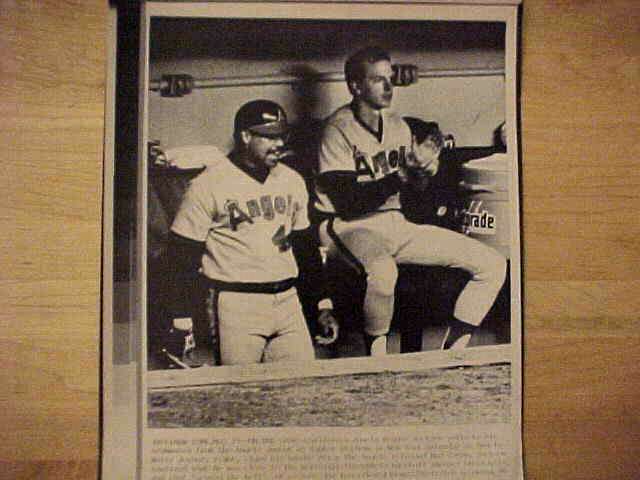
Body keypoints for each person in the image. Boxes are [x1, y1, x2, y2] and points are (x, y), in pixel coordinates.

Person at [313, 46, 506, 355]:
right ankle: (377, 357)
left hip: (394, 221)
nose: (388, 87)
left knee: (492, 264)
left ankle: (454, 350)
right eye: (378, 80)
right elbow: (348, 202)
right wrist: (404, 172)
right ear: (355, 86)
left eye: (390, 79)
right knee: (383, 272)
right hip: (346, 228)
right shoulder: (336, 129)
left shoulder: (398, 125)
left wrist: (426, 169)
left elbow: (414, 194)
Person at [167, 99, 338, 366]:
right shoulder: (208, 184)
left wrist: (321, 304)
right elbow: (181, 256)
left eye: (282, 135)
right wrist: (181, 319)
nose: (279, 143)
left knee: (303, 389)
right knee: (238, 392)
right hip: (237, 303)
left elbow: (305, 247)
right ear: (245, 136)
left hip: (287, 300)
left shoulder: (292, 180)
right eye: (270, 136)